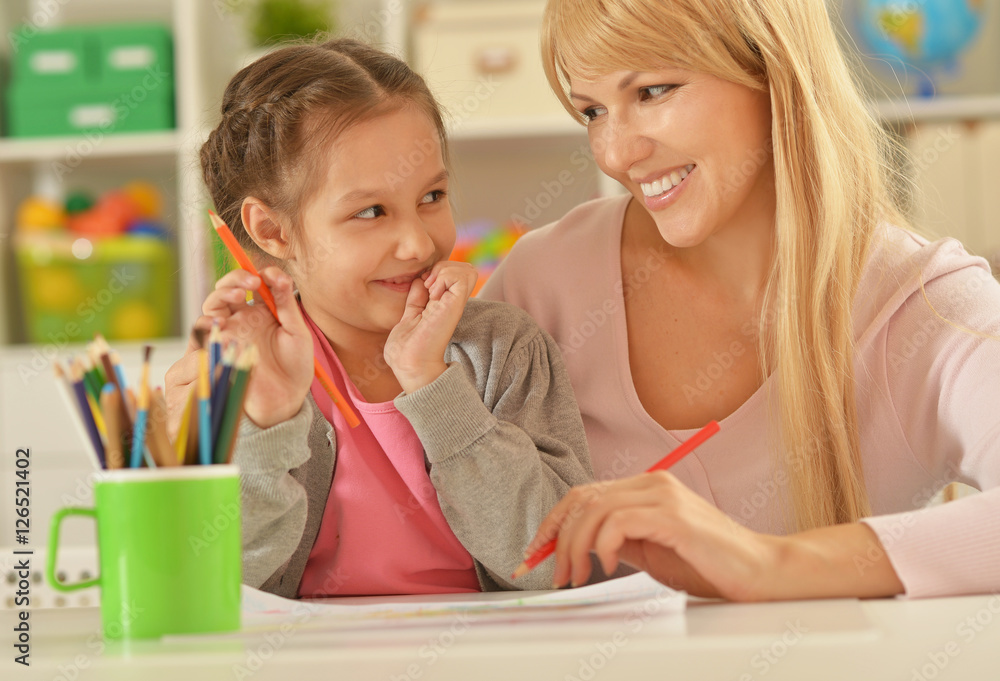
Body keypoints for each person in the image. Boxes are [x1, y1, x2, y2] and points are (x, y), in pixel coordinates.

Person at [482, 0, 1000, 600]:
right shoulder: (543, 283)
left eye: (653, 91)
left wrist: (765, 564)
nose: (616, 153)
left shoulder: (922, 305)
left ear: (772, 69)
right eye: (593, 111)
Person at [164, 38, 595, 598]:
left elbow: (556, 565)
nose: (418, 243)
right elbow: (207, 587)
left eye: (432, 195)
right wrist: (265, 424)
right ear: (272, 231)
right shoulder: (236, 372)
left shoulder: (502, 349)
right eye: (370, 212)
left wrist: (434, 387)